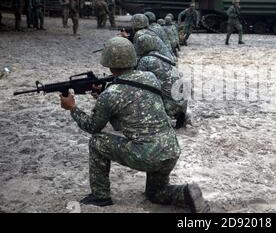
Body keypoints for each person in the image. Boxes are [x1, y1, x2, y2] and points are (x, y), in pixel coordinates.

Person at [58, 37, 209, 212]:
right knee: (156, 193)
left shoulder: (111, 95)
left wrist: (72, 108)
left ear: (108, 62)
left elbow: (92, 126)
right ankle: (186, 193)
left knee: (97, 142)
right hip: (170, 150)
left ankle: (100, 196)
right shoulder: (150, 77)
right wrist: (104, 94)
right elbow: (132, 102)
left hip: (146, 155)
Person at [135, 34, 188, 128]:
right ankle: (179, 115)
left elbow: (138, 82)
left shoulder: (145, 60)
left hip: (170, 105)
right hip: (182, 101)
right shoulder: (163, 57)